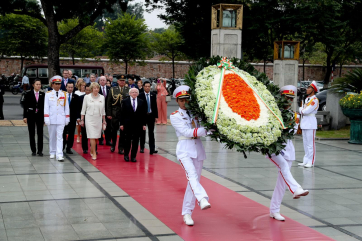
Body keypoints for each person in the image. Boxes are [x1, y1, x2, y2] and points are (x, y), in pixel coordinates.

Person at [170, 85, 212, 226]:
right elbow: (187, 132)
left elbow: (206, 130)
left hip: (198, 149)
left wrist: (215, 130)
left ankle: (187, 213)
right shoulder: (175, 116)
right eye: (181, 100)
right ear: (177, 101)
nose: (184, 102)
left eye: (186, 99)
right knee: (192, 176)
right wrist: (206, 130)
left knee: (192, 183)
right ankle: (202, 198)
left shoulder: (196, 113)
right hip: (185, 150)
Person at [268, 85, 310, 221]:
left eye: (291, 98)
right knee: (284, 167)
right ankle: (296, 189)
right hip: (274, 148)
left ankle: (274, 210)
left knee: (282, 182)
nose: (289, 101)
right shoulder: (273, 112)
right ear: (281, 96)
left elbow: (292, 132)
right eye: (286, 97)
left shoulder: (293, 115)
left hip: (288, 149)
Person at [44, 75, 70, 162]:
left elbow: (66, 107)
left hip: (61, 118)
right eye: (56, 84)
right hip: (51, 118)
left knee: (60, 137)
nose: (58, 85)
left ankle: (59, 154)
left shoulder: (64, 94)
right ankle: (52, 151)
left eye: (59, 84)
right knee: (52, 136)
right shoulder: (48, 94)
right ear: (52, 84)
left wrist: (67, 118)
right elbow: (46, 107)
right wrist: (46, 118)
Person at [120, 88, 147, 162]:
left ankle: (133, 156)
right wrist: (121, 124)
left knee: (135, 141)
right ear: (129, 93)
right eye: (132, 92)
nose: (134, 93)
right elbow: (122, 113)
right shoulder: (125, 101)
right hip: (127, 124)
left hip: (138, 125)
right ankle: (126, 155)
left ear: (138, 94)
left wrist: (144, 124)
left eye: (135, 92)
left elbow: (143, 114)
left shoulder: (141, 102)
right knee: (127, 140)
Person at [80, 82, 106, 160]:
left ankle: (92, 149)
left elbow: (103, 110)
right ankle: (94, 153)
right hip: (89, 118)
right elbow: (83, 109)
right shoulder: (87, 97)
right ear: (91, 89)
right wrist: (82, 120)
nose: (96, 89)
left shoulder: (102, 97)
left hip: (98, 118)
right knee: (92, 136)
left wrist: (104, 120)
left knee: (97, 137)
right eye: (94, 88)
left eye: (97, 88)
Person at [298, 81, 319, 168]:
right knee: (305, 143)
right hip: (305, 123)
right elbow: (303, 111)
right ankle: (305, 160)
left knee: (311, 144)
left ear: (313, 90)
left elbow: (305, 111)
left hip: (311, 123)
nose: (307, 89)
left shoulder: (314, 100)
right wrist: (301, 109)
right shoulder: (307, 99)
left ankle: (311, 161)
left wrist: (301, 109)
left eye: (309, 88)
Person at [107, 75, 129, 154]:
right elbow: (109, 102)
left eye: (123, 80)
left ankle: (121, 147)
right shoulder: (113, 89)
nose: (122, 82)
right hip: (115, 113)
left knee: (123, 132)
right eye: (120, 80)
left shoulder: (128, 90)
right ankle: (113, 145)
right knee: (114, 130)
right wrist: (109, 114)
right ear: (118, 81)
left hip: (124, 114)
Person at [23, 79, 45, 156]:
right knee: (31, 133)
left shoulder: (43, 94)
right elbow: (25, 106)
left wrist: (45, 117)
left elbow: (44, 107)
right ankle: (33, 150)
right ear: (33, 85)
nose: (39, 86)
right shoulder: (28, 94)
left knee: (40, 133)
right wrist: (25, 116)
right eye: (37, 84)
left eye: (40, 84)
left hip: (40, 115)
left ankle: (40, 150)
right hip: (31, 115)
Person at [139, 81, 158, 154]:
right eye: (146, 86)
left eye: (148, 86)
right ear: (143, 87)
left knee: (151, 133)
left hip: (151, 115)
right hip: (143, 116)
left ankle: (152, 148)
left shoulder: (153, 95)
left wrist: (156, 116)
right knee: (142, 132)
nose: (147, 87)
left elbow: (155, 106)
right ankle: (142, 147)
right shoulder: (140, 95)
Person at [62, 82, 80, 154]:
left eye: (71, 87)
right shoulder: (62, 96)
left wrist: (78, 118)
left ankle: (69, 147)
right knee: (63, 133)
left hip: (72, 118)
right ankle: (62, 147)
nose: (70, 89)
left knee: (71, 133)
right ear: (66, 87)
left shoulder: (76, 97)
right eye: (69, 87)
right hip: (63, 118)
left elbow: (78, 108)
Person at [77, 84, 91, 153]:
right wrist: (78, 118)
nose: (88, 92)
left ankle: (94, 148)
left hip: (92, 118)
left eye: (89, 90)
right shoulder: (81, 98)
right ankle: (85, 148)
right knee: (84, 134)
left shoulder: (95, 98)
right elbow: (78, 109)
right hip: (84, 118)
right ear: (84, 90)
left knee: (93, 134)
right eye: (86, 90)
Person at [98, 76, 112, 146]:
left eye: (104, 80)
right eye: (101, 80)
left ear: (106, 81)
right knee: (99, 126)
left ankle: (108, 140)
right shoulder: (97, 89)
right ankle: (100, 139)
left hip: (107, 111)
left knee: (108, 126)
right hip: (99, 110)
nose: (103, 81)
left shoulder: (110, 89)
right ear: (99, 81)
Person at [75, 79, 86, 143]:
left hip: (85, 110)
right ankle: (78, 136)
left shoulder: (86, 92)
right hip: (79, 109)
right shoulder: (77, 92)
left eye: (84, 85)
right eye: (82, 85)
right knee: (78, 124)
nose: (83, 87)